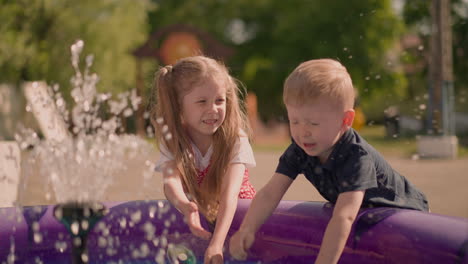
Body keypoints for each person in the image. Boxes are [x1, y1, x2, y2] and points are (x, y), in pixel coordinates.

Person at [229, 59, 429, 264]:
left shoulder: (356, 156)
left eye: (313, 123)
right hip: (366, 215)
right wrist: (247, 228)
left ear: (345, 121)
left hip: (406, 215)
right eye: (294, 121)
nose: (302, 132)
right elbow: (270, 193)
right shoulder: (301, 149)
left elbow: (344, 217)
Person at [152, 55, 256, 264]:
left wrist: (217, 244)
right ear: (179, 106)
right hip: (200, 215)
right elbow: (170, 180)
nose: (213, 109)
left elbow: (230, 195)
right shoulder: (174, 139)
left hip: (238, 214)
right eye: (202, 102)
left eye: (219, 100)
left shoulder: (234, 139)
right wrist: (184, 204)